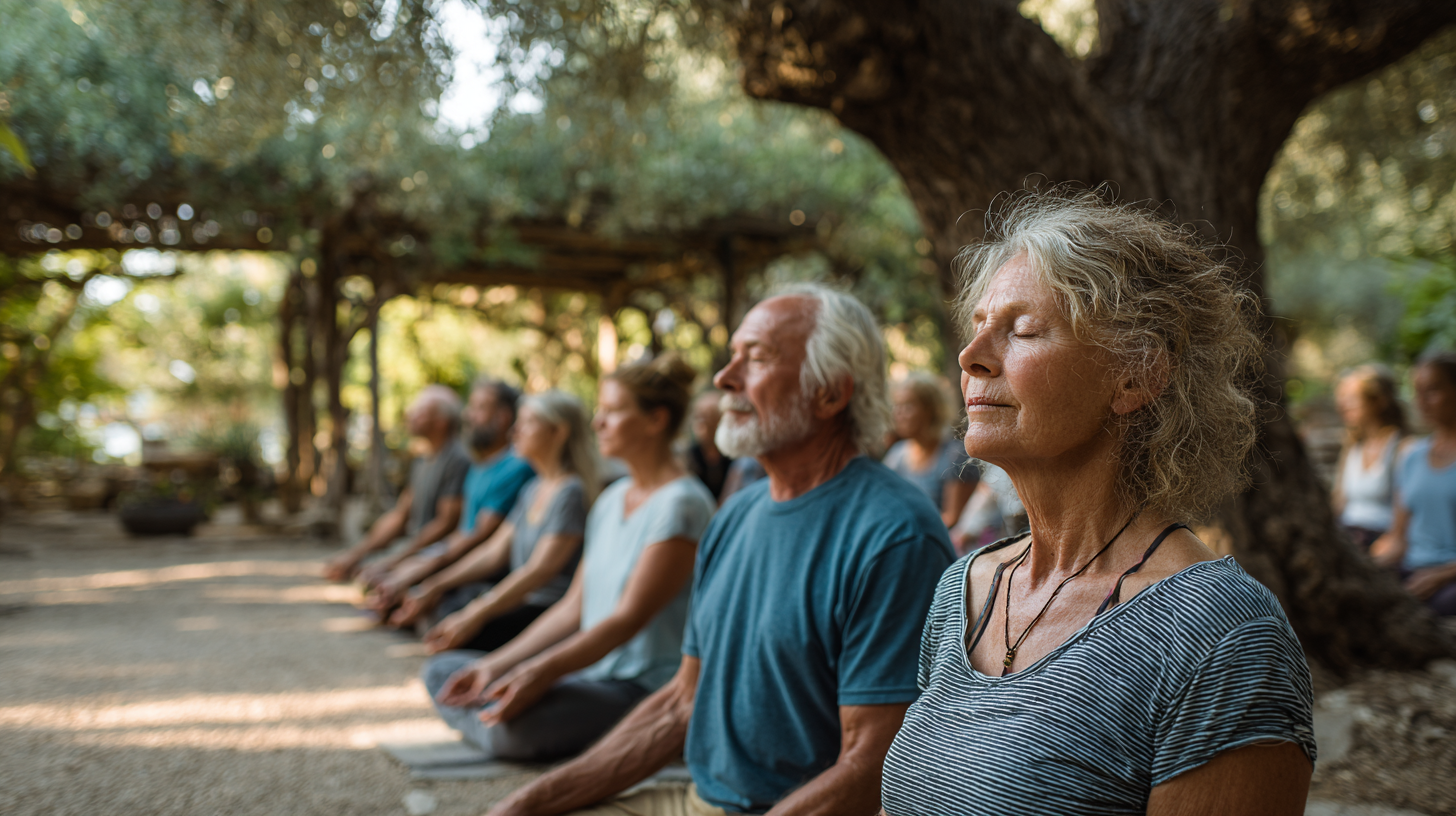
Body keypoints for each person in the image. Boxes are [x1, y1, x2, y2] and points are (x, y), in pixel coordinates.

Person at [881, 189, 1315, 816]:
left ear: (1135, 375)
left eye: (1023, 331)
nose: (970, 358)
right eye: (977, 327)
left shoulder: (1222, 634)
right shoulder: (965, 589)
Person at [487, 285, 954, 816]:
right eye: (733, 356)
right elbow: (680, 702)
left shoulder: (894, 535)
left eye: (756, 358)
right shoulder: (734, 515)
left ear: (829, 393)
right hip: (698, 800)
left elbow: (872, 768)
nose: (725, 378)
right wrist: (526, 804)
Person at [422, 354, 716, 761]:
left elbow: (626, 620)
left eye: (612, 411)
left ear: (656, 420)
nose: (598, 423)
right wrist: (497, 666)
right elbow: (572, 609)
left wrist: (539, 671)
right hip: (590, 673)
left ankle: (498, 727)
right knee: (443, 670)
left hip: (641, 687)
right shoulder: (611, 499)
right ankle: (495, 720)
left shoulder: (681, 504)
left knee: (513, 728)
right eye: (600, 411)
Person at [400, 391, 599, 653]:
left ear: (558, 432)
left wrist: (475, 612)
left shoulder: (570, 492)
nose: (516, 430)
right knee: (447, 607)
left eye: (528, 422)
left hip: (546, 611)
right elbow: (493, 551)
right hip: (523, 600)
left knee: (458, 625)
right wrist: (434, 585)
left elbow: (539, 571)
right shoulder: (533, 488)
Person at [368, 379, 536, 620]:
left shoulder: (516, 468)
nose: (468, 415)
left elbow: (478, 538)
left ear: (502, 417)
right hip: (461, 562)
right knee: (391, 591)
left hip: (483, 572)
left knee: (427, 605)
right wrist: (414, 564)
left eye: (479, 407)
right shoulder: (479, 466)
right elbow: (460, 533)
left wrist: (426, 577)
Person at [323, 386, 472, 585]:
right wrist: (355, 555)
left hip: (438, 559)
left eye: (420, 412)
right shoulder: (422, 461)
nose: (411, 415)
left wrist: (394, 563)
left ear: (441, 422)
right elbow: (400, 515)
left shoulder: (458, 461)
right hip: (417, 553)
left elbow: (445, 524)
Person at [1373, 352, 1456, 616]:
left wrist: (1440, 576)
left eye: (1432, 390)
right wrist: (1367, 566)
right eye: (1417, 392)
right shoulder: (1412, 456)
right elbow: (1398, 538)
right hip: (1411, 569)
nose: (1421, 401)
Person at [883, 372, 978, 528]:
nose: (899, 414)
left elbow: (953, 518)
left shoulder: (955, 455)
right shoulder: (897, 454)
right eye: (897, 406)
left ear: (931, 410)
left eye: (908, 406)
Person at [1332, 365, 1407, 552]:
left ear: (1379, 401)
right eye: (1341, 398)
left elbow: (1406, 511)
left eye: (1351, 398)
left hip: (1379, 536)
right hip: (1347, 533)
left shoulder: (1402, 448)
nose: (1343, 405)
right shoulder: (1352, 447)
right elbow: (1338, 502)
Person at [685, 390, 733, 499]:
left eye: (708, 415)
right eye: (698, 415)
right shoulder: (688, 457)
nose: (701, 420)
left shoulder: (735, 457)